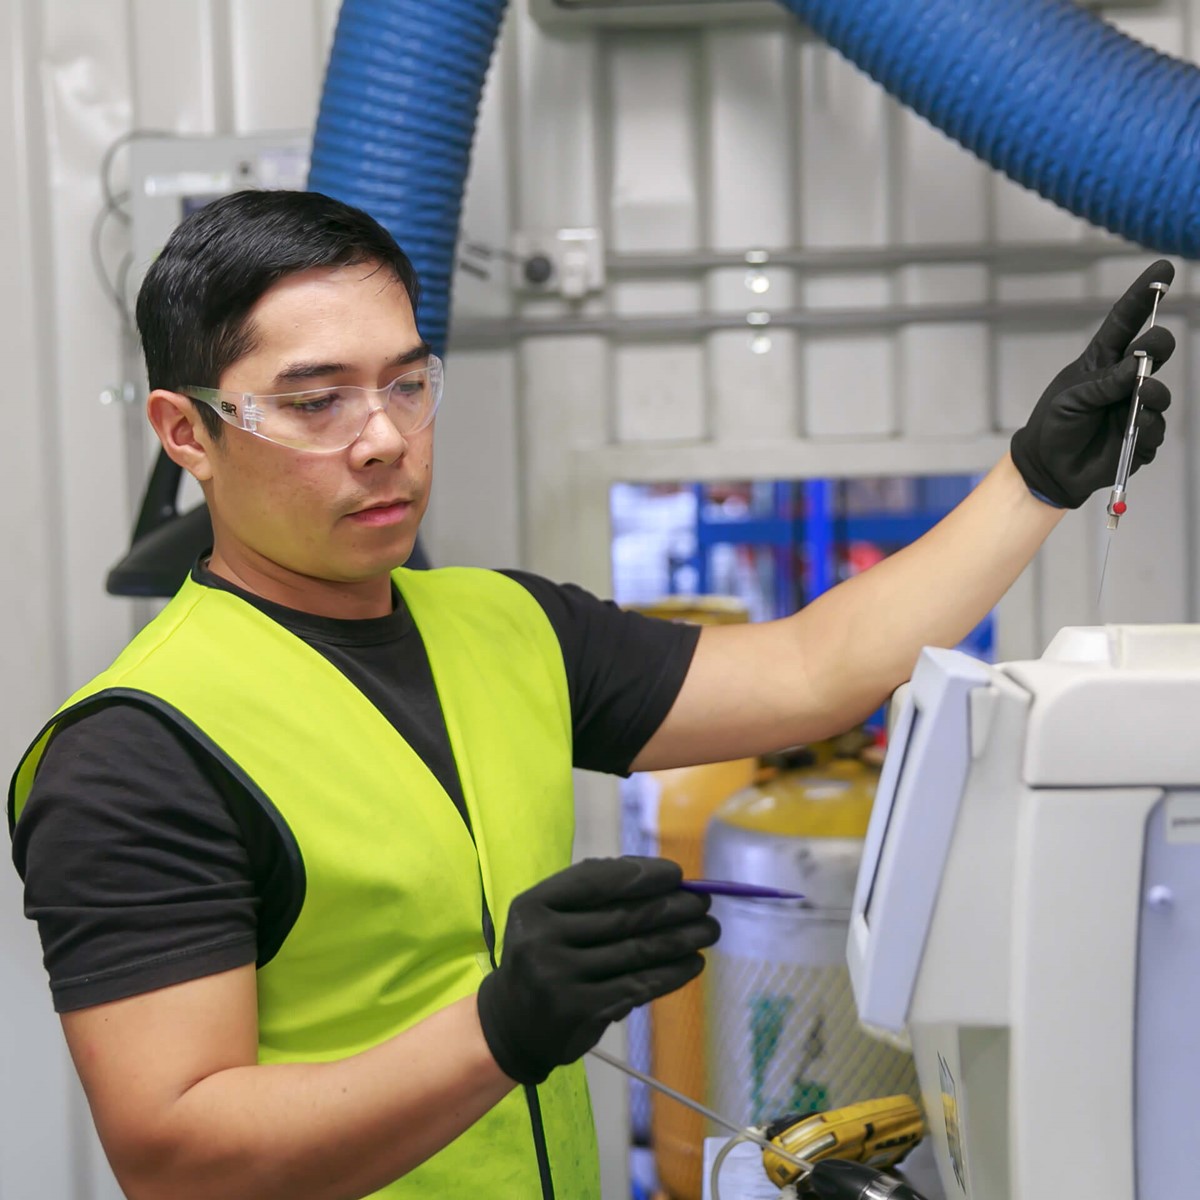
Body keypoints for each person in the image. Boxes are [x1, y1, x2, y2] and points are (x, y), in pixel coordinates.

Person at [7, 189, 1173, 1200]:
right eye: (317, 401)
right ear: (187, 433)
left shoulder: (505, 625)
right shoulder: (135, 749)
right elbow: (176, 1156)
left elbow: (810, 671)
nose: (383, 439)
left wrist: (1032, 479)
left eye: (409, 384)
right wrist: (500, 1027)